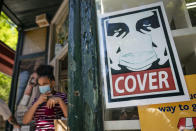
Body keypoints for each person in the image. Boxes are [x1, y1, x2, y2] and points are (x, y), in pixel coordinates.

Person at [23, 65, 68, 130]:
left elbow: (70, 117)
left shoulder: (62, 97)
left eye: (44, 84)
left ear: (52, 83)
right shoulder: (37, 100)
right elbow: (25, 121)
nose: (42, 87)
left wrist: (60, 101)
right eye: (40, 85)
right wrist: (37, 103)